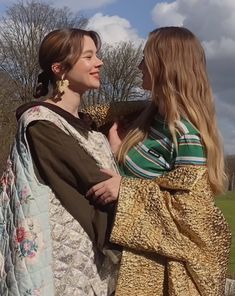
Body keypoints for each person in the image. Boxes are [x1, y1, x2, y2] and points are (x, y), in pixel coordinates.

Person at [86, 27, 232, 296]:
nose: (139, 65)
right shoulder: (148, 116)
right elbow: (90, 115)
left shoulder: (187, 136)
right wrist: (119, 152)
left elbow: (190, 216)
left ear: (165, 66)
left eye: (145, 58)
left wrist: (125, 190)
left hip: (150, 273)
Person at [0, 28, 124, 296]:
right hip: (60, 270)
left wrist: (113, 153)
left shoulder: (91, 132)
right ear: (59, 69)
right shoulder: (41, 123)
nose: (99, 62)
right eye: (88, 57)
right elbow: (98, 183)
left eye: (97, 55)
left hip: (86, 266)